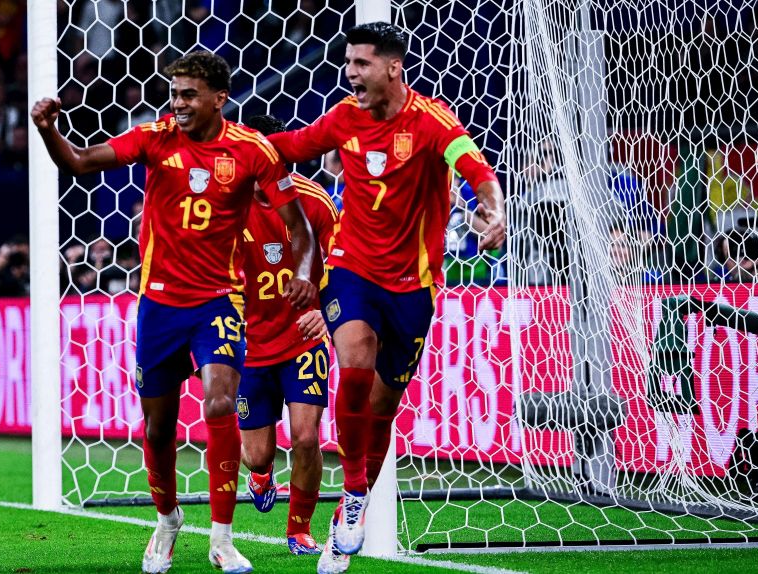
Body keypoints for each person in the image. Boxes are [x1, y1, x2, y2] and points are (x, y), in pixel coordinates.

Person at [31, 50, 317, 574]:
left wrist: (302, 274)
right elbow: (78, 163)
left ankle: (223, 539)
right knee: (158, 429)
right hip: (160, 304)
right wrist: (49, 130)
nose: (178, 103)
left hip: (219, 299)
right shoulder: (154, 138)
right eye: (174, 93)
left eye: (189, 94)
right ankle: (167, 520)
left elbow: (299, 226)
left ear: (219, 98)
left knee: (219, 402)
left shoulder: (252, 149)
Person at [265, 22, 504, 570]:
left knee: (381, 409)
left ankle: (351, 508)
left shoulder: (433, 120)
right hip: (351, 270)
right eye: (347, 62)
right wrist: (225, 145)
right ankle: (353, 493)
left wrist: (494, 207)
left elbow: (476, 169)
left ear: (393, 67)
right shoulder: (343, 117)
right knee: (353, 364)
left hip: (413, 285)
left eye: (361, 63)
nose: (350, 73)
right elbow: (292, 145)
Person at [236, 115, 337, 556]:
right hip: (249, 345)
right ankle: (261, 476)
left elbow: (343, 266)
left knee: (306, 437)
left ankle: (299, 529)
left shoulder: (315, 203)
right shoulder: (229, 205)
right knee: (257, 454)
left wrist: (327, 317)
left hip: (303, 340)